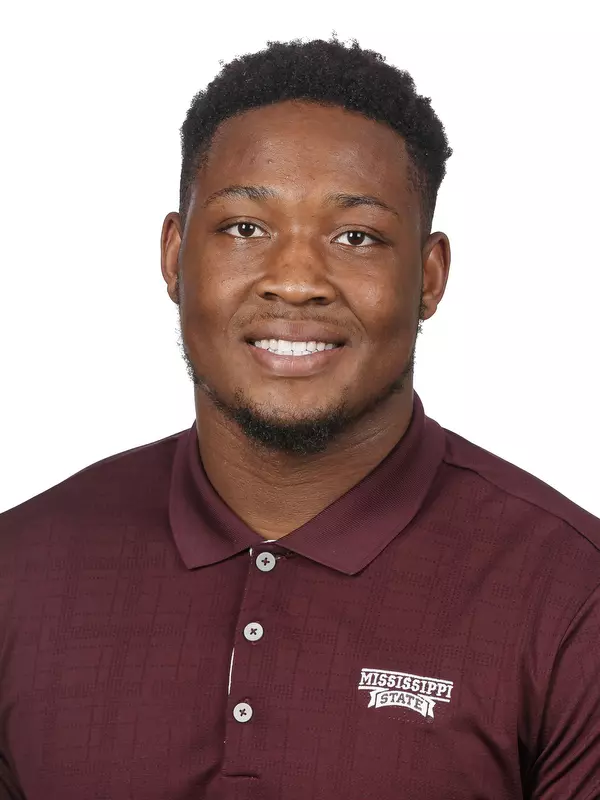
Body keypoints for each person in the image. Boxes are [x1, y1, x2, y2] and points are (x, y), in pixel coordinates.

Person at [1, 36, 599, 800]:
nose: (295, 281)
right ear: (175, 256)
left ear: (428, 275)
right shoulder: (19, 570)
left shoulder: (573, 594)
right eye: (246, 228)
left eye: (356, 237)